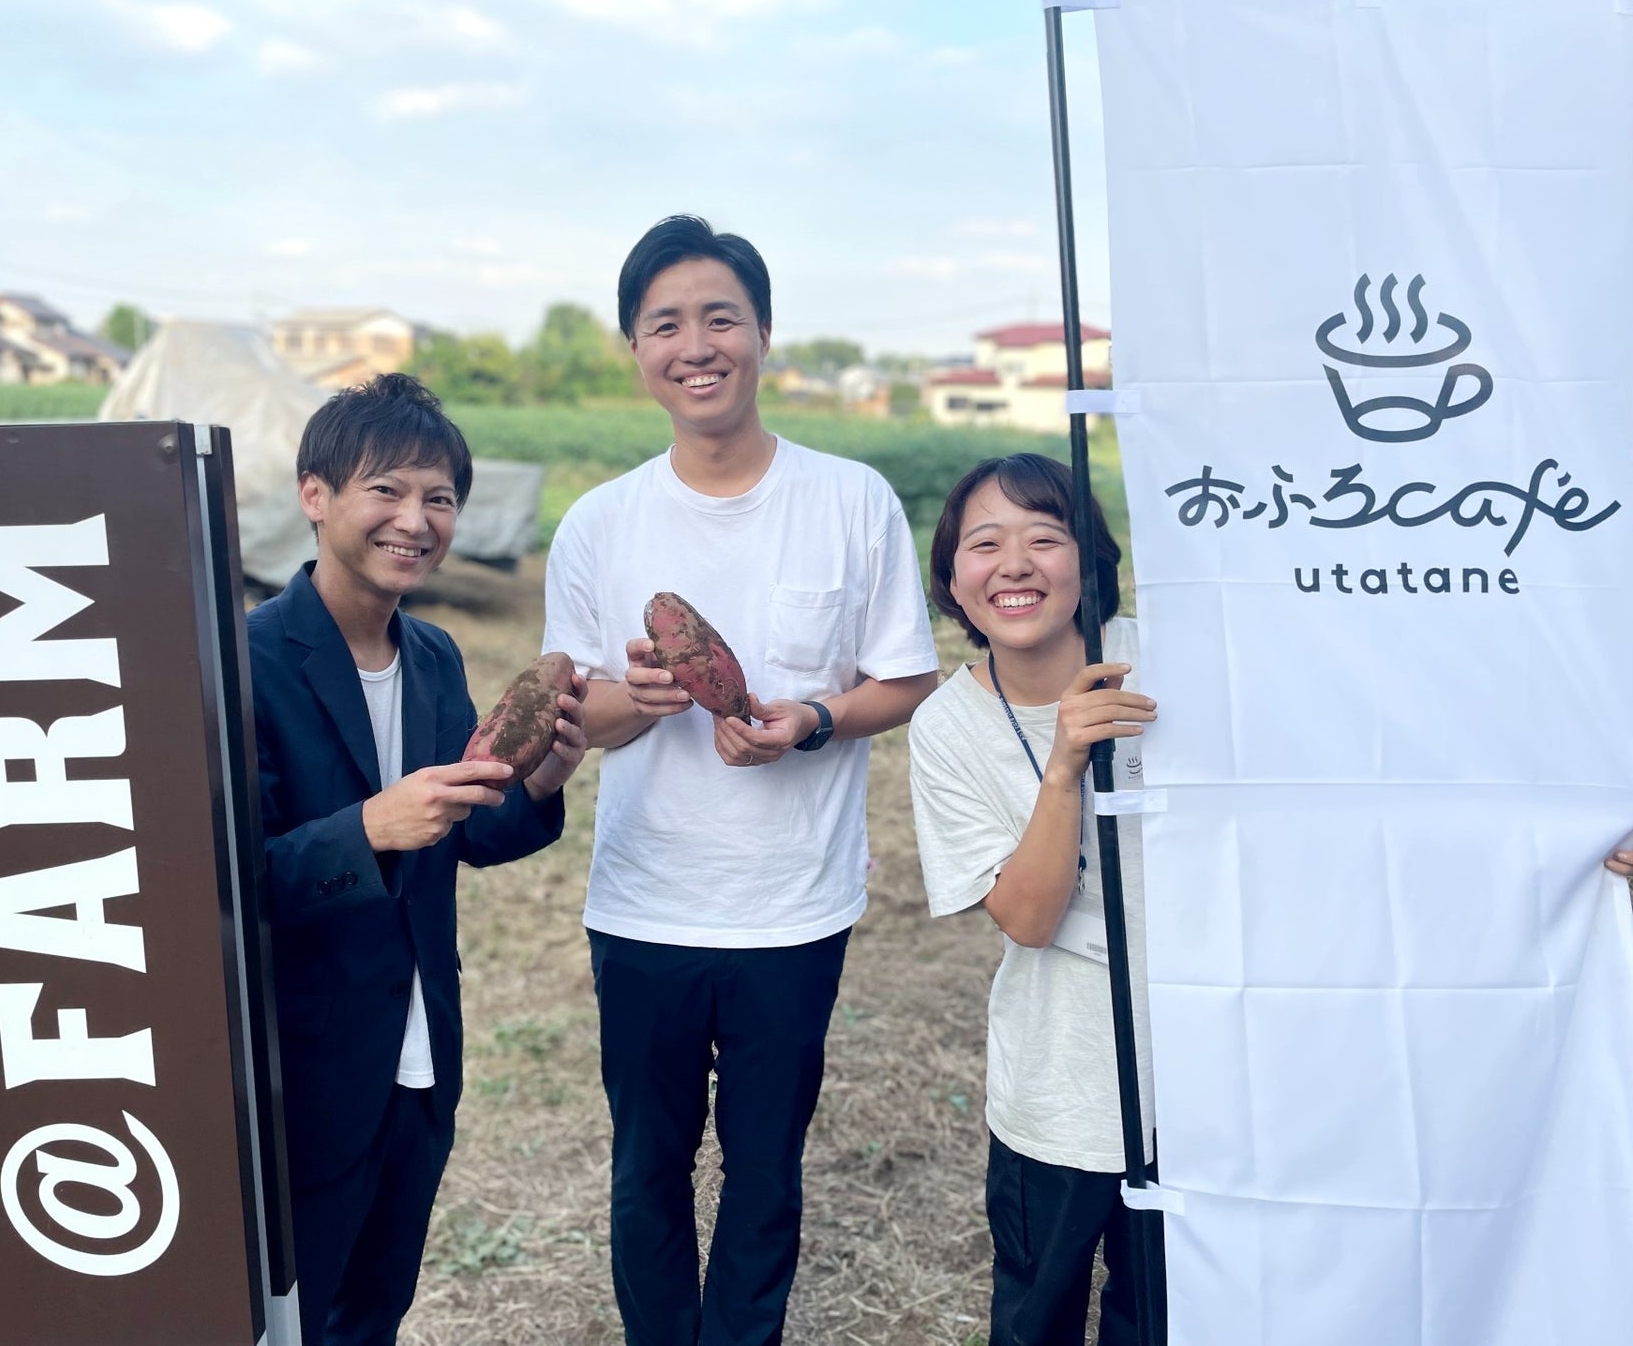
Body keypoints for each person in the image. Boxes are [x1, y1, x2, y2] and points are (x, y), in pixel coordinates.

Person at [541, 214, 940, 1345]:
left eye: (721, 316)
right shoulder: (600, 524)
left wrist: (812, 718)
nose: (695, 343)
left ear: (764, 332)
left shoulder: (849, 499)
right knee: (647, 1165)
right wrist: (639, 698)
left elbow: (902, 679)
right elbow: (577, 722)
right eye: (664, 323)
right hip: (644, 904)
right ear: (635, 350)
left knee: (767, 1167)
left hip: (794, 908)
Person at [248, 372, 585, 1346]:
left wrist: (537, 782)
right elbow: (231, 886)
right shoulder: (247, 659)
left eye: (439, 498)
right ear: (316, 496)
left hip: (420, 1057)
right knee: (293, 1318)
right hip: (305, 1072)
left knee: (375, 1312)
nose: (416, 519)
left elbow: (467, 837)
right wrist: (367, 829)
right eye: (386, 490)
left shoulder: (432, 656)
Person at [907, 453, 1159, 1346]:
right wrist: (1064, 762)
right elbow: (1028, 917)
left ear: (1090, 561)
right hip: (1060, 1085)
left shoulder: (1162, 652)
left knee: (1164, 1315)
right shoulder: (947, 726)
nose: (1015, 565)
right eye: (985, 544)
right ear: (954, 584)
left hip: (1203, 1077)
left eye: (1045, 538)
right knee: (1035, 1318)